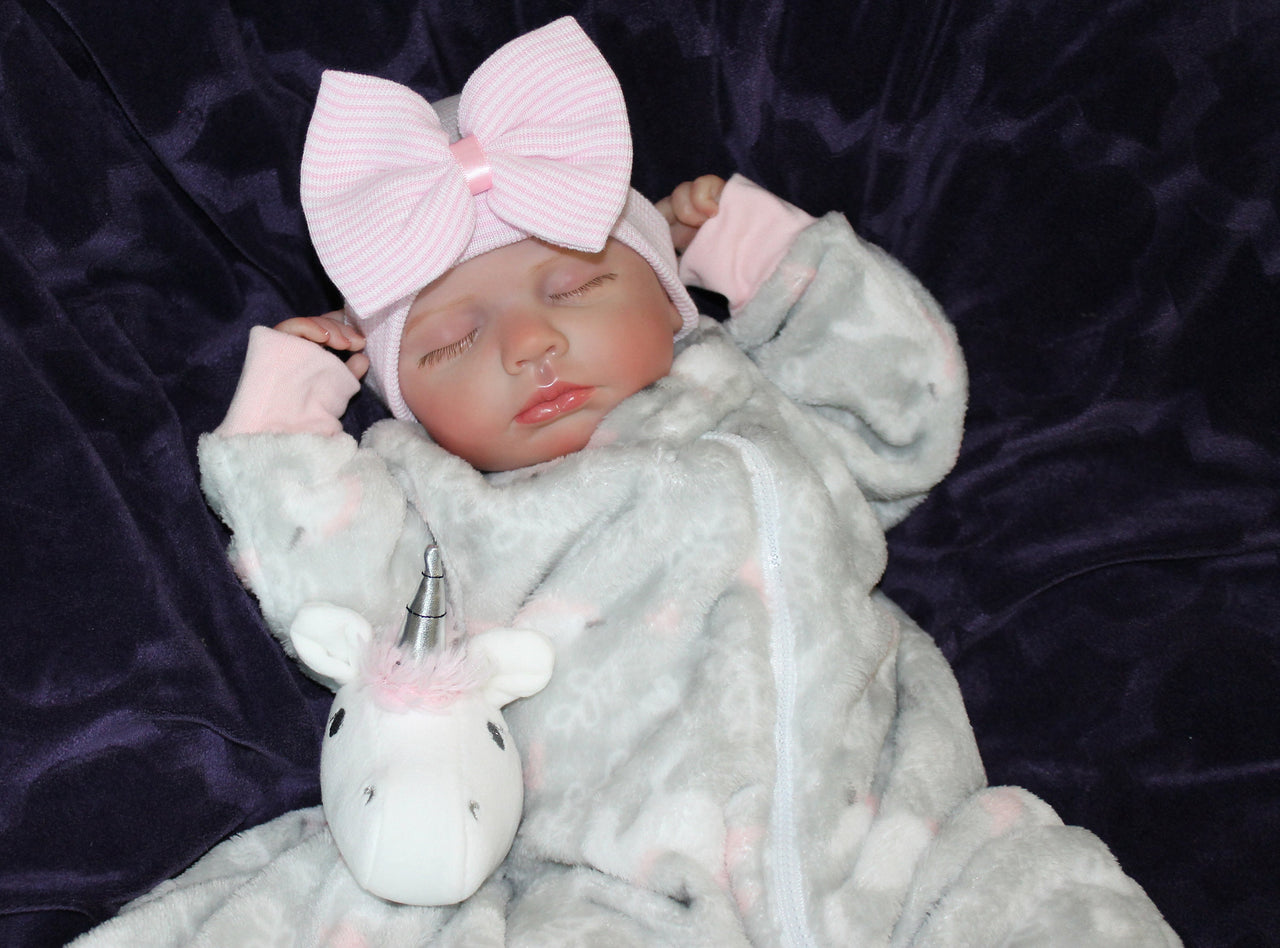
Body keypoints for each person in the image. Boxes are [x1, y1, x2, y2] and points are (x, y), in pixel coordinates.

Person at [195, 16, 1178, 946]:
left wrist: (755, 250)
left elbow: (906, 403)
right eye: (454, 340)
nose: (529, 342)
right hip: (622, 885)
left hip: (903, 836)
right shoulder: (443, 507)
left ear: (671, 307)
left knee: (1052, 897)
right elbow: (335, 582)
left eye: (573, 286)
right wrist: (286, 418)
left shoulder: (754, 396)